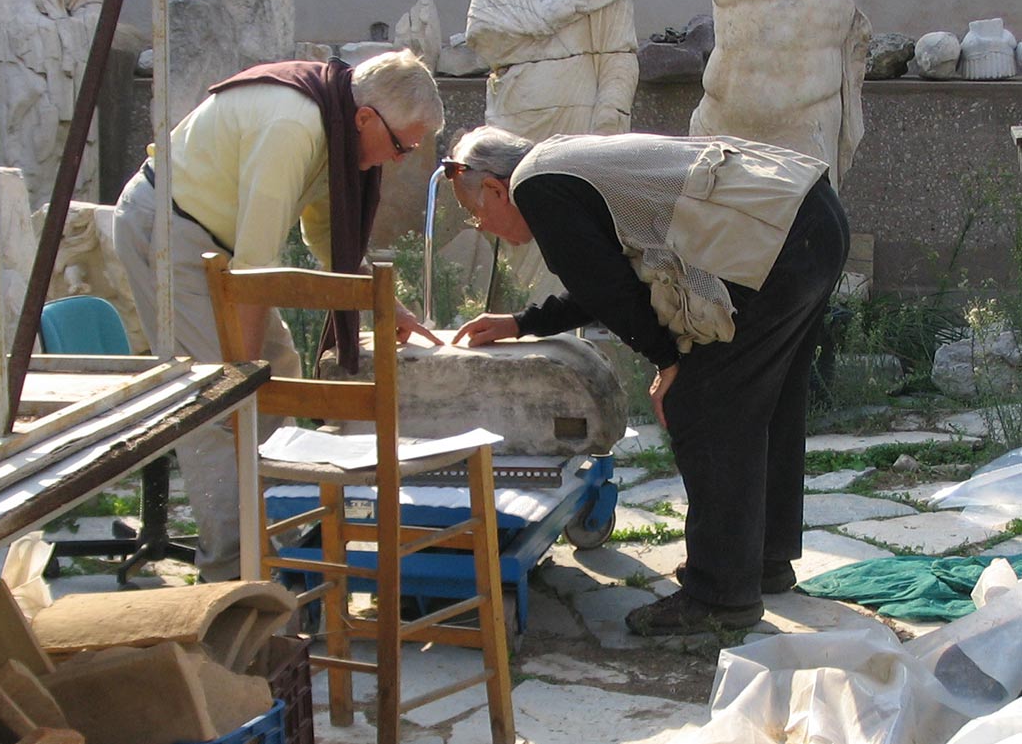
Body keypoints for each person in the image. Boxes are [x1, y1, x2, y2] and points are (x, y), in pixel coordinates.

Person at [447, 126, 850, 634]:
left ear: (494, 189)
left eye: (475, 211)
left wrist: (668, 364)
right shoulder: (560, 164)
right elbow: (605, 279)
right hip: (810, 219)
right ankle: (760, 562)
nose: (480, 225)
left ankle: (720, 596)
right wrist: (523, 323)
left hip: (780, 240)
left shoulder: (536, 185)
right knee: (764, 405)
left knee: (702, 406)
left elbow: (611, 290)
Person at [113, 49, 443, 582]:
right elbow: (253, 272)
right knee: (213, 405)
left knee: (280, 371)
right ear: (365, 118)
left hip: (215, 241)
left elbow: (324, 232)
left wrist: (388, 305)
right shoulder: (294, 125)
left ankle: (283, 540)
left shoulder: (333, 121)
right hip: (169, 228)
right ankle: (234, 574)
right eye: (401, 145)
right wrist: (238, 380)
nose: (401, 159)